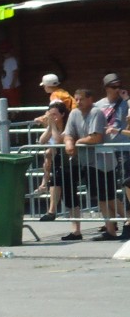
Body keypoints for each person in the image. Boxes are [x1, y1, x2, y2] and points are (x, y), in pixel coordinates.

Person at [62, 88, 119, 242]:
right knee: (102, 197)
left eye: (81, 99)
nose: (78, 102)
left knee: (106, 197)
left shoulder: (96, 112)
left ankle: (114, 228)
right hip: (87, 161)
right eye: (76, 99)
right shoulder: (74, 113)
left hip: (103, 162)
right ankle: (111, 228)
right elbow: (68, 133)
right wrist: (69, 143)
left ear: (90, 99)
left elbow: (96, 137)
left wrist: (78, 142)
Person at [94, 72, 130, 239]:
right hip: (105, 149)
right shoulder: (99, 105)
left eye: (119, 86)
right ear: (106, 87)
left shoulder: (125, 103)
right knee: (106, 188)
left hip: (123, 148)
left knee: (126, 184)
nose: (117, 89)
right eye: (114, 86)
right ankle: (111, 225)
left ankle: (127, 222)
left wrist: (127, 99)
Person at [33, 100, 68, 222]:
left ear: (62, 114)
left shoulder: (67, 126)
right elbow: (42, 140)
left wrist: (52, 124)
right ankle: (51, 211)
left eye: (55, 115)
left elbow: (58, 141)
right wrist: (49, 125)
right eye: (51, 114)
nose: (53, 117)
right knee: (55, 182)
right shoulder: (52, 126)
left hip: (69, 160)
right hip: (56, 160)